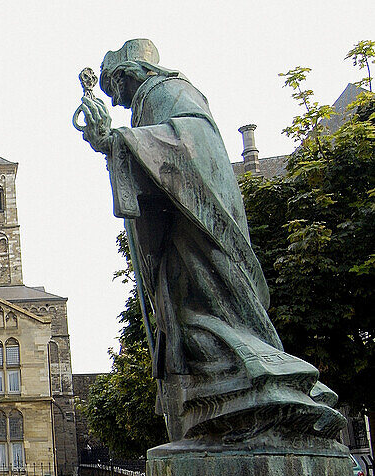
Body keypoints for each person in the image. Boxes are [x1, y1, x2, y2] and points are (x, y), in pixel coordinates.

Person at [78, 38, 343, 442]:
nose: (117, 103)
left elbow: (187, 146)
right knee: (193, 320)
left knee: (207, 316)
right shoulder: (155, 97)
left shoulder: (166, 92)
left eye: (116, 90)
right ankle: (227, 404)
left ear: (131, 74)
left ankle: (258, 387)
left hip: (199, 229)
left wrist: (116, 142)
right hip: (186, 229)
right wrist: (114, 145)